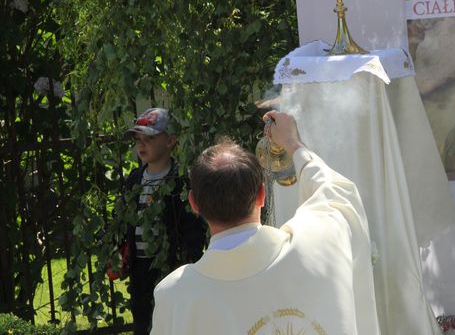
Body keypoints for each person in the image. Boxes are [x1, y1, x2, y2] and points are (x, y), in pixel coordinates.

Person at [150, 111, 381, 335]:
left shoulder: (175, 296)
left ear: (194, 204)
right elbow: (337, 192)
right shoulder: (320, 241)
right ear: (262, 194)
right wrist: (292, 143)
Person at [121, 108, 207, 335]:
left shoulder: (180, 181)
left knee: (173, 321)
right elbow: (125, 220)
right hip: (140, 267)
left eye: (149, 138)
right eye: (138, 139)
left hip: (172, 267)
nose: (142, 144)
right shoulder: (134, 180)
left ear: (170, 141)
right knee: (142, 320)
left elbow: (193, 226)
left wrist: (190, 260)